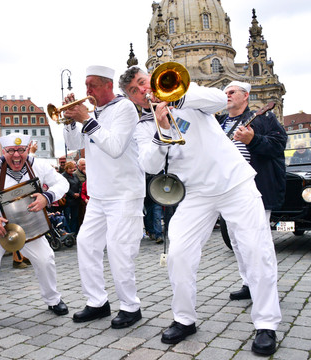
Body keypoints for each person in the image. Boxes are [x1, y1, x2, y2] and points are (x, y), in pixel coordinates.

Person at [119, 66, 281, 355]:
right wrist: (162, 131)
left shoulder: (185, 95)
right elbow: (150, 166)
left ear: (151, 80)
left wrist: (179, 99)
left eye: (143, 82)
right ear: (131, 98)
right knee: (178, 253)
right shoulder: (142, 127)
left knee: (256, 250)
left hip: (234, 183)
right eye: (134, 90)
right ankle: (184, 319)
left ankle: (266, 323)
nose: (143, 90)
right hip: (196, 193)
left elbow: (220, 100)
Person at [62, 65, 145, 329]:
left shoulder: (125, 108)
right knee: (86, 245)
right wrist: (69, 121)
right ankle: (97, 302)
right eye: (86, 86)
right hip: (99, 195)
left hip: (124, 193)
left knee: (120, 251)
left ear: (108, 85)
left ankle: (131, 306)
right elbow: (74, 145)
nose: (87, 91)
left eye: (93, 85)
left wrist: (86, 118)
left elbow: (115, 147)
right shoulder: (94, 113)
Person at [0, 133, 69, 335]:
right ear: (3, 151)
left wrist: (47, 197)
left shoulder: (37, 165)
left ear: (27, 149)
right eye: (11, 151)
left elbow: (62, 183)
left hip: (31, 225)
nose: (16, 155)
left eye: (21, 150)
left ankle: (53, 300)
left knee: (46, 259)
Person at [217, 81, 287, 301]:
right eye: (225, 93)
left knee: (259, 241)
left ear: (245, 96)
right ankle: (248, 282)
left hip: (256, 188)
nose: (227, 95)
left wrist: (253, 140)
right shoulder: (219, 122)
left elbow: (278, 144)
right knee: (236, 241)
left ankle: (266, 285)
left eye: (232, 92)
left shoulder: (264, 118)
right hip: (228, 190)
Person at [62, 161, 81, 234]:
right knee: (67, 217)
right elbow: (64, 187)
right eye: (70, 168)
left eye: (73, 168)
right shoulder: (63, 176)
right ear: (66, 169)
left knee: (75, 217)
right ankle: (68, 233)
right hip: (68, 201)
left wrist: (79, 193)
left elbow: (79, 185)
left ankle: (74, 232)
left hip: (76, 201)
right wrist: (73, 194)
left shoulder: (75, 175)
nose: (72, 170)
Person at [144, 173, 164, 244]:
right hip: (147, 200)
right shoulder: (143, 170)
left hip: (156, 199)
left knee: (157, 217)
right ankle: (151, 232)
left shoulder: (158, 171)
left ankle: (158, 235)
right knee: (148, 218)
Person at [75, 158, 87, 230]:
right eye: (82, 165)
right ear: (78, 166)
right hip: (80, 199)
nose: (84, 166)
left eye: (85, 164)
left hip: (89, 198)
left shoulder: (89, 172)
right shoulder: (75, 174)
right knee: (81, 217)